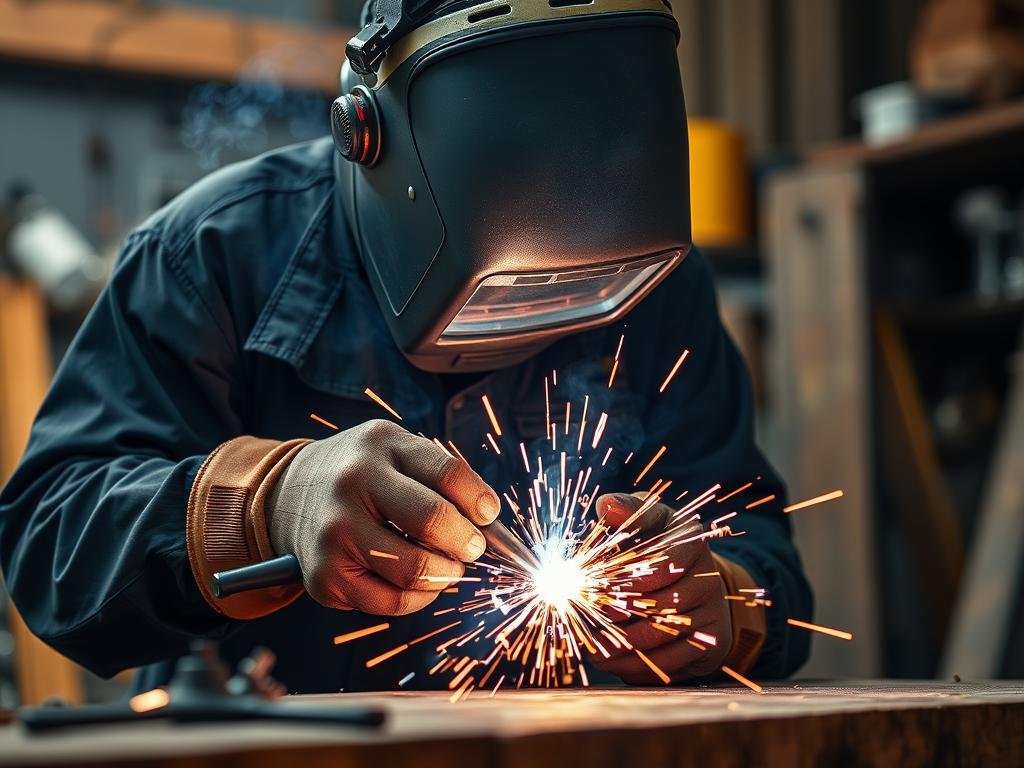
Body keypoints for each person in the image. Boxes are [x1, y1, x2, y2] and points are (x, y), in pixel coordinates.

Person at [0, 0, 811, 694]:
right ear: (369, 134)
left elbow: (760, 544)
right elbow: (48, 546)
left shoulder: (656, 281)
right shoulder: (210, 255)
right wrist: (262, 503)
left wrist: (729, 602)